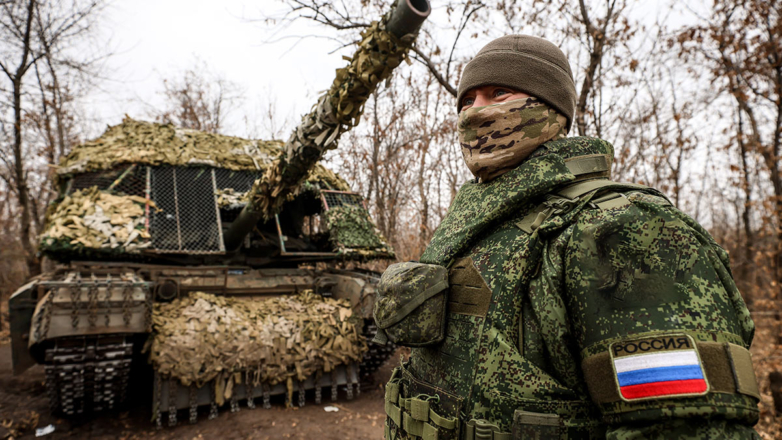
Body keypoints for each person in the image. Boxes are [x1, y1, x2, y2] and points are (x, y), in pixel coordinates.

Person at [377, 35, 761, 439]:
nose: (477, 112)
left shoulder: (623, 230)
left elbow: (683, 427)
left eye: (499, 92)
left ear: (550, 107)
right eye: (467, 100)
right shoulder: (476, 223)